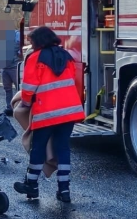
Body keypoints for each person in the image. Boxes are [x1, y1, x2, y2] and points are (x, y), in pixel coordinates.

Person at [13, 26, 85, 203]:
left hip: (46, 112)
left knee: (38, 147)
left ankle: (32, 185)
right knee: (63, 148)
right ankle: (64, 190)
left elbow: (29, 87)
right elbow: (72, 82)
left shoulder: (35, 58)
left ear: (39, 41)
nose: (30, 44)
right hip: (69, 111)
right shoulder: (66, 56)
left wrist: (26, 104)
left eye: (31, 41)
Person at [0, 26, 22, 115]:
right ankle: (9, 108)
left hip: (14, 67)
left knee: (18, 88)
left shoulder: (17, 35)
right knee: (7, 89)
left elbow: (21, 49)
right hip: (5, 68)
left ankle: (20, 108)